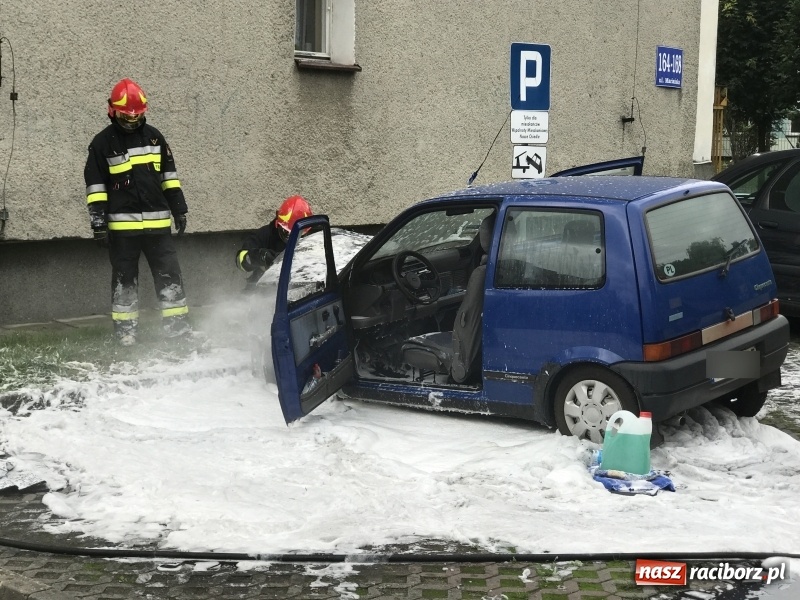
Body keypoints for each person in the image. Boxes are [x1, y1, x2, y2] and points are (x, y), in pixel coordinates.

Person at [84, 78, 191, 346]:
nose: (131, 121)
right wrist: (98, 224)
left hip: (158, 227)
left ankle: (177, 330)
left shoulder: (155, 137)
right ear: (112, 111)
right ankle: (126, 333)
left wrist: (179, 209)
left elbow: (169, 178)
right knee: (124, 281)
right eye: (125, 116)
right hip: (123, 231)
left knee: (170, 276)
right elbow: (96, 188)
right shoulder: (101, 144)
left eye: (136, 117)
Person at [236, 195, 313, 288]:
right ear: (278, 224)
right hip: (261, 292)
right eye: (287, 233)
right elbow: (240, 260)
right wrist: (260, 256)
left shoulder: (314, 239)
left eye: (297, 235)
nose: (291, 239)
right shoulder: (267, 234)